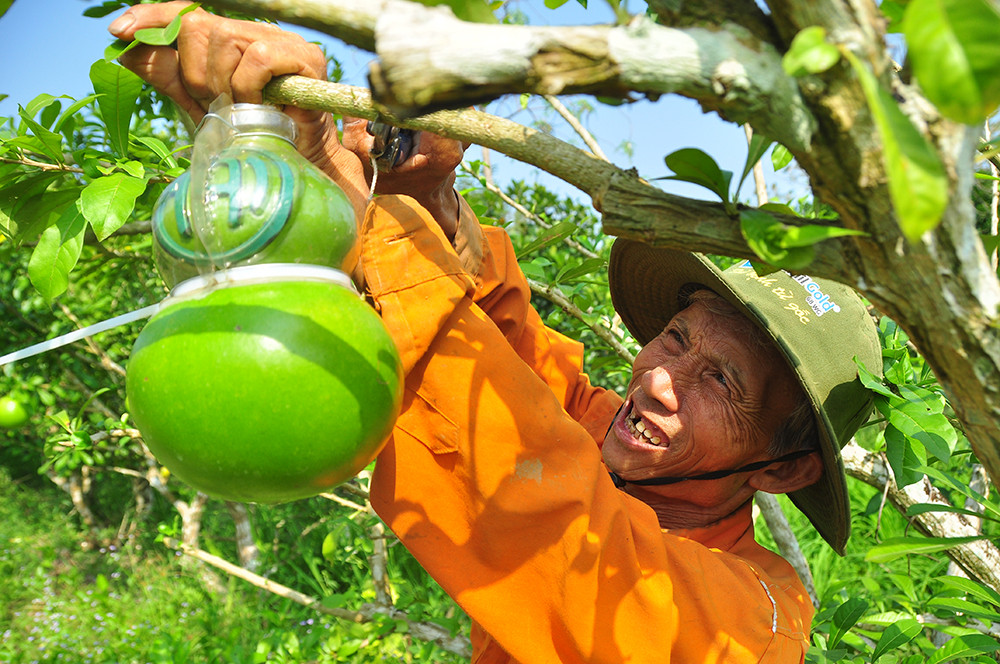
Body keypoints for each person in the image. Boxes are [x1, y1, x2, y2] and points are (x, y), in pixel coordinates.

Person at [109, 4, 882, 662]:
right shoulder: (602, 434)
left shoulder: (754, 622)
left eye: (722, 382)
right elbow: (507, 359)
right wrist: (421, 190)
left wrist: (354, 204)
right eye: (677, 338)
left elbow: (566, 527)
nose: (657, 379)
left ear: (782, 471)